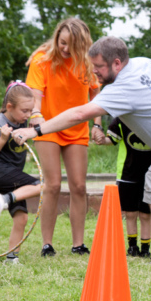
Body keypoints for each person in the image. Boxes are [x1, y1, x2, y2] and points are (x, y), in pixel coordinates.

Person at [13, 36, 151, 262]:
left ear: (117, 63)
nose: (95, 72)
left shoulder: (122, 88)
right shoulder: (145, 62)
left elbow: (79, 114)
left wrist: (35, 131)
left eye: (99, 67)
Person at [25, 17, 101, 257]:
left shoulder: (87, 64)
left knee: (79, 186)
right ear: (56, 37)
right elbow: (34, 94)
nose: (65, 49)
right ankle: (47, 244)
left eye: (71, 45)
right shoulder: (42, 60)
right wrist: (36, 115)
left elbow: (95, 93)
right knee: (54, 184)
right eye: (62, 43)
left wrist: (97, 124)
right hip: (47, 128)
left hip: (77, 130)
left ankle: (78, 244)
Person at [0, 82, 43, 264]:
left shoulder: (24, 121)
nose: (27, 115)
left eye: (30, 110)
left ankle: (11, 258)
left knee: (21, 218)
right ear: (9, 107)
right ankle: (4, 200)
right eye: (24, 111)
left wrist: (34, 123)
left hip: (12, 177)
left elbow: (39, 125)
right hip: (0, 172)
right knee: (42, 185)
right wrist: (3, 138)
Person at [94, 117, 151, 257]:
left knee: (146, 215)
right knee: (130, 214)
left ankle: (145, 249)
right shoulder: (122, 117)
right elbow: (112, 139)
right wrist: (102, 139)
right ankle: (132, 247)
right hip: (127, 174)